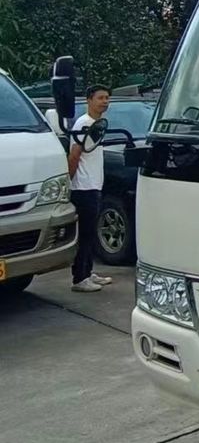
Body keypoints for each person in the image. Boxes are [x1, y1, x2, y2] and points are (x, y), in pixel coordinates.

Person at [68, 85, 114, 293]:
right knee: (85, 234)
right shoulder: (84, 124)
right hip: (84, 188)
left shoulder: (96, 124)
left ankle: (88, 271)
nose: (105, 101)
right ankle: (79, 278)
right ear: (89, 100)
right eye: (100, 98)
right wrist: (69, 182)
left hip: (95, 186)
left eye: (107, 98)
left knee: (91, 232)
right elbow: (75, 155)